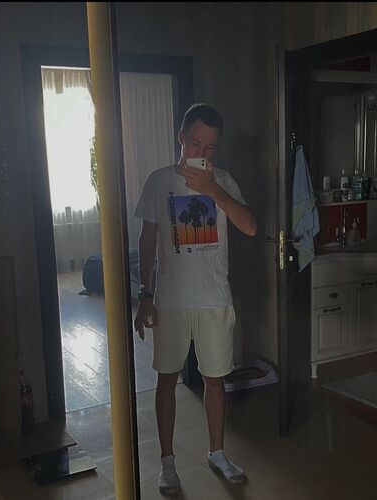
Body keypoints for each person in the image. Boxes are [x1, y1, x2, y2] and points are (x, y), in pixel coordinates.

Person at [134, 103, 257, 495]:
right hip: (170, 300)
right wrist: (145, 295)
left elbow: (250, 227)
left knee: (214, 380)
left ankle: (217, 453)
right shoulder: (158, 181)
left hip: (214, 299)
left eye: (209, 147)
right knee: (166, 379)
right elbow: (147, 241)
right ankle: (167, 461)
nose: (200, 153)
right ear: (181, 137)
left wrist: (213, 190)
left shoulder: (223, 181)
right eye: (194, 143)